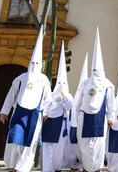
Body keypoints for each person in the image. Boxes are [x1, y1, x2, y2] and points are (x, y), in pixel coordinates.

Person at [0, 28, 52, 172]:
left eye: (37, 64)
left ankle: (22, 167)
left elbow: (48, 98)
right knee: (15, 138)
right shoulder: (20, 78)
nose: (34, 67)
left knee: (30, 141)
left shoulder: (44, 80)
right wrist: (4, 111)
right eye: (32, 63)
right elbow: (11, 95)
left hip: (36, 113)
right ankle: (13, 164)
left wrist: (46, 112)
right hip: (18, 113)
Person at [75, 28, 116, 172]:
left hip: (100, 118)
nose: (95, 74)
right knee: (83, 144)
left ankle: (97, 166)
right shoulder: (85, 83)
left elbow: (111, 104)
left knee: (98, 143)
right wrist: (77, 116)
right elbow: (78, 102)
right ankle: (87, 166)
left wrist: (111, 117)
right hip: (85, 116)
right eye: (94, 72)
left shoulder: (108, 84)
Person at [42, 41, 74, 172]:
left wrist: (64, 95)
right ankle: (47, 167)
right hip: (50, 122)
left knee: (60, 147)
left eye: (63, 82)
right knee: (48, 145)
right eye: (58, 82)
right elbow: (46, 104)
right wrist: (45, 114)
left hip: (61, 124)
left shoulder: (69, 95)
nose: (60, 84)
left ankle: (57, 166)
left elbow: (69, 106)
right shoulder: (51, 93)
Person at [65, 53, 88, 171]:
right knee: (75, 145)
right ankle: (75, 162)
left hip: (84, 124)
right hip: (75, 124)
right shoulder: (76, 97)